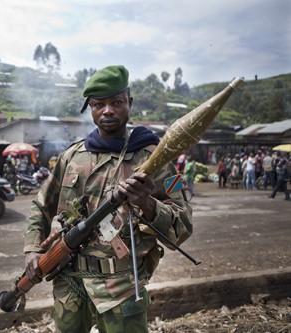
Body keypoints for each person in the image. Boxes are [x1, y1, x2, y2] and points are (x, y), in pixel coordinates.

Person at [23, 65, 193, 333]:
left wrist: (147, 204)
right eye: (98, 104)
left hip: (120, 288)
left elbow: (183, 225)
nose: (108, 110)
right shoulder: (71, 157)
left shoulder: (154, 160)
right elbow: (42, 206)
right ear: (90, 108)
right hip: (69, 283)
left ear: (129, 103)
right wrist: (33, 249)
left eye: (117, 102)